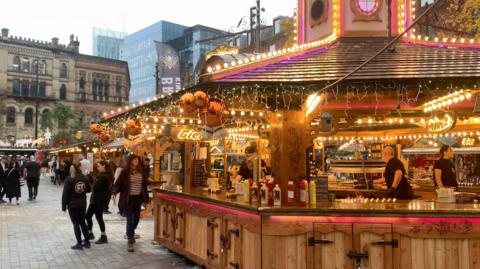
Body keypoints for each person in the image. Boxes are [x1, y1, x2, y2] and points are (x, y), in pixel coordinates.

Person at [112, 155, 150, 252]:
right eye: (135, 159)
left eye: (137, 159)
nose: (137, 161)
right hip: (128, 199)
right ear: (130, 161)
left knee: (136, 219)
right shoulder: (125, 172)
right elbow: (118, 183)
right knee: (129, 219)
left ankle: (130, 233)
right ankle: (130, 240)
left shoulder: (141, 171)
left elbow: (144, 185)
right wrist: (114, 193)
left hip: (138, 198)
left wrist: (147, 198)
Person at [62, 162, 91, 250]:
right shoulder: (85, 177)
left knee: (76, 223)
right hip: (82, 203)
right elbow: (89, 190)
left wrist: (63, 206)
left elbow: (65, 194)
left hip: (72, 204)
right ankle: (87, 242)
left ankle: (79, 244)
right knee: (82, 222)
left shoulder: (69, 179)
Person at [85, 160, 113, 244]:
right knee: (91, 216)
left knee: (94, 217)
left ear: (104, 166)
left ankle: (103, 236)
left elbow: (95, 186)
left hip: (98, 200)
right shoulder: (102, 175)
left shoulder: (105, 176)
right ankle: (91, 233)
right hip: (96, 200)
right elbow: (95, 183)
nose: (97, 167)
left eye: (98, 166)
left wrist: (90, 181)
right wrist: (89, 176)